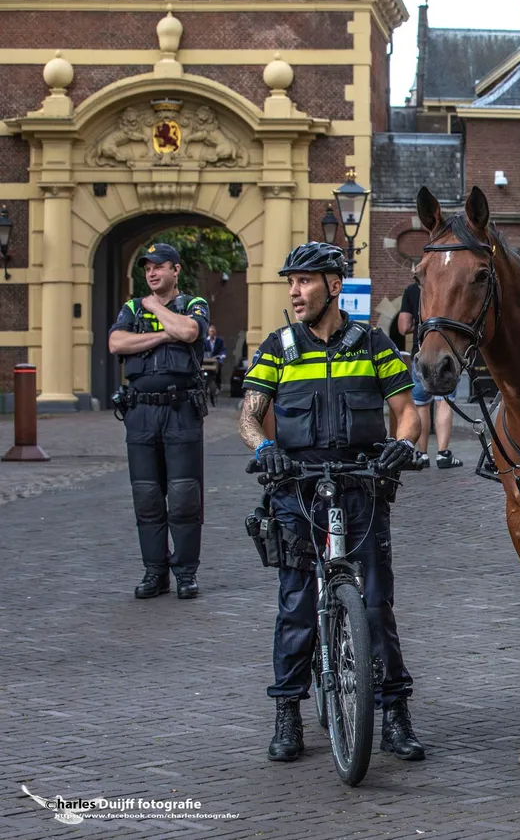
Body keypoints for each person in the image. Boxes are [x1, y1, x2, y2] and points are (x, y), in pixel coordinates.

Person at [238, 241, 426, 764]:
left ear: (334, 286)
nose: (295, 292)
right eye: (290, 283)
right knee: (296, 602)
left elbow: (406, 412)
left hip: (360, 482)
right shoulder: (278, 346)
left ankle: (393, 713)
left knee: (374, 603)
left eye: (305, 281)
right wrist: (266, 448)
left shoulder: (372, 342)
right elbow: (249, 417)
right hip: (295, 486)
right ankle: (288, 714)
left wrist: (401, 445)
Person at [108, 243, 210, 601]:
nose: (152, 273)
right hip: (140, 413)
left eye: (159, 267)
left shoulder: (194, 305)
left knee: (184, 496)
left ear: (175, 270)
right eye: (148, 268)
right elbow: (117, 343)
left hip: (181, 410)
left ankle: (185, 573)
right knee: (147, 496)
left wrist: (156, 310)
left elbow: (190, 333)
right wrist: (164, 332)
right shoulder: (132, 308)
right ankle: (155, 573)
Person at [397, 279, 463, 468]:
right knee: (444, 402)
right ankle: (443, 455)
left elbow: (403, 327)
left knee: (421, 404)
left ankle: (422, 454)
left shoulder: (411, 290)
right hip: (445, 352)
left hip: (422, 353)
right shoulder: (449, 286)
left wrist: (419, 326)